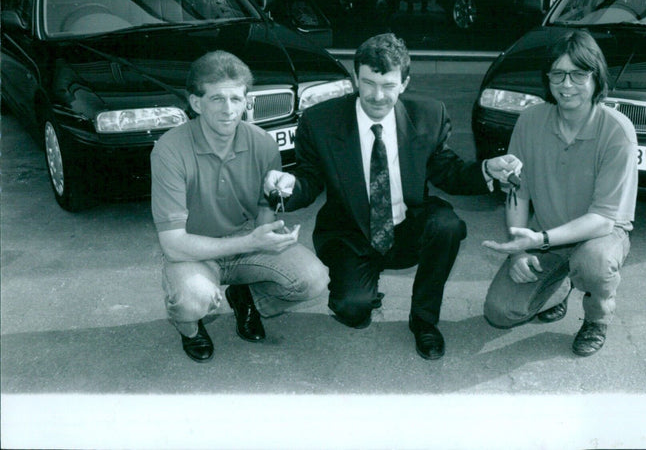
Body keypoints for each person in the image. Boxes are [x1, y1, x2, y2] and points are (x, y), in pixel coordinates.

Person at [265, 33, 521, 360]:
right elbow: (309, 179)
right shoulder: (320, 122)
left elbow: (448, 171)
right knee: (352, 309)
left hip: (406, 224)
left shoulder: (428, 115)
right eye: (369, 83)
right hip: (349, 232)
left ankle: (424, 321)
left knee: (447, 226)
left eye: (388, 85)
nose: (377, 95)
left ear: (405, 83)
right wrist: (286, 187)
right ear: (355, 78)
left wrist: (486, 169)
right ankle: (362, 292)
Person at [150, 50, 329, 363]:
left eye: (236, 99)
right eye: (217, 99)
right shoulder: (170, 150)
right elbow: (174, 244)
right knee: (193, 300)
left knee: (314, 279)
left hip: (246, 243)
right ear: (196, 103)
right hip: (194, 250)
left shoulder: (262, 143)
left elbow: (264, 212)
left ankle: (247, 298)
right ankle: (190, 330)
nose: (228, 110)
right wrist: (252, 241)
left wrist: (271, 230)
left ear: (247, 101)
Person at [482, 30, 638, 356]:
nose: (567, 85)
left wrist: (538, 241)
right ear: (548, 79)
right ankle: (560, 285)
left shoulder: (617, 130)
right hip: (548, 233)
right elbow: (517, 193)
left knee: (594, 263)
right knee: (499, 313)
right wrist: (517, 250)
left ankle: (597, 318)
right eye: (558, 74)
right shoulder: (530, 120)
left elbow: (601, 220)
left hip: (601, 236)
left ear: (597, 77)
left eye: (579, 74)